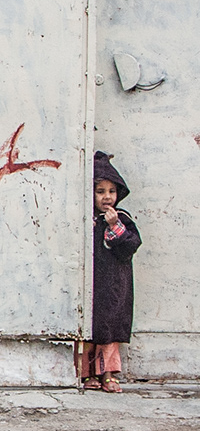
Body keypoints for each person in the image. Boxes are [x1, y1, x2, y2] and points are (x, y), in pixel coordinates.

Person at [79, 151, 141, 393]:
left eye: (111, 191)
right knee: (88, 327)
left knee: (110, 328)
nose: (107, 197)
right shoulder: (86, 218)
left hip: (115, 284)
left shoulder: (122, 218)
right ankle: (86, 374)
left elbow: (130, 247)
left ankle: (108, 374)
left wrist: (115, 227)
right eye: (100, 191)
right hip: (91, 282)